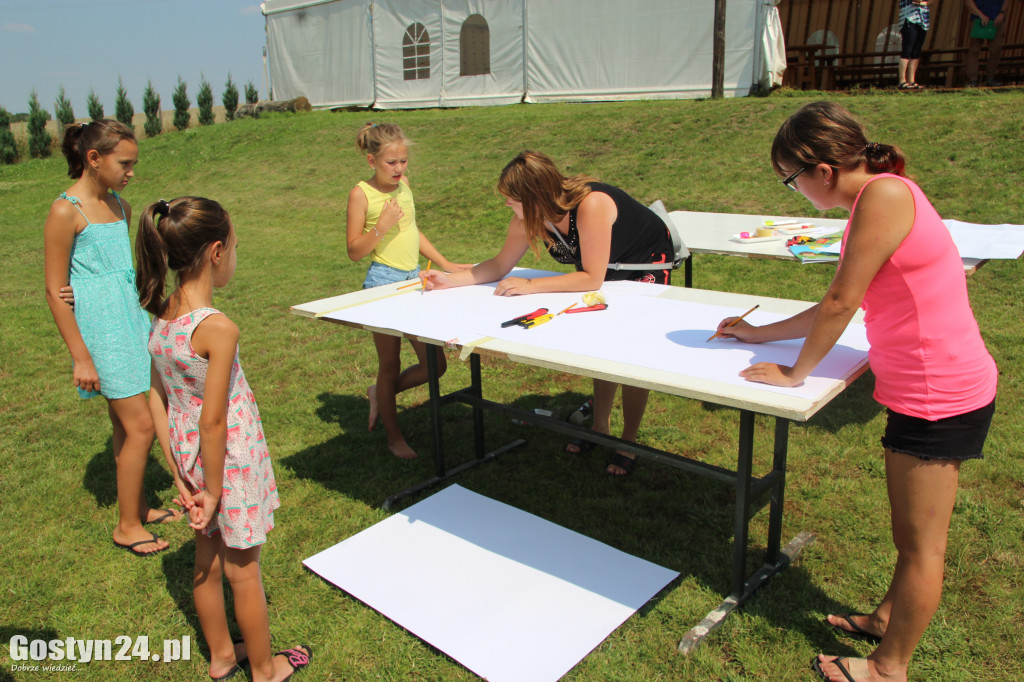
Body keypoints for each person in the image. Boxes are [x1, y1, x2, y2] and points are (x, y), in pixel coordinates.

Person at [713, 101, 996, 682]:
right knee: (908, 534)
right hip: (925, 385)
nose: (794, 191)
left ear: (821, 168)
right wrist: (757, 333)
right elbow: (843, 300)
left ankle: (888, 669)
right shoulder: (881, 197)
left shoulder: (884, 198)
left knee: (921, 545)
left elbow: (841, 304)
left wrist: (796, 374)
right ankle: (885, 617)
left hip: (937, 393)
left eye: (790, 180)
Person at [137, 197, 312, 682]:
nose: (235, 254)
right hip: (227, 462)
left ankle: (219, 657)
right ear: (216, 252)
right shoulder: (218, 328)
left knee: (206, 560)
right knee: (243, 571)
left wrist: (179, 472)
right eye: (234, 246)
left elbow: (157, 399)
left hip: (189, 459)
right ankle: (265, 668)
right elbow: (214, 422)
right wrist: (214, 490)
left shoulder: (163, 316)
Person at [422, 150, 674, 476]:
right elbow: (499, 265)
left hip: (643, 261)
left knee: (631, 349)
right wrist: (449, 280)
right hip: (606, 264)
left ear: (534, 197)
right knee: (603, 340)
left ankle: (630, 441)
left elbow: (591, 278)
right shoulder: (527, 217)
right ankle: (599, 427)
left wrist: (531, 285)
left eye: (512, 200)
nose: (507, 206)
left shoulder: (591, 206)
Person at [43, 119, 182, 558]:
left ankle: (137, 505)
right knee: (141, 426)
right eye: (124, 163)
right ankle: (126, 526)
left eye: (134, 164)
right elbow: (54, 288)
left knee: (128, 426)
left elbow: (123, 268)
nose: (131, 172)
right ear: (93, 158)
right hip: (100, 331)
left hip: (130, 320)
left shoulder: (119, 205)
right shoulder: (65, 211)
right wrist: (81, 357)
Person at [346, 122, 470, 459]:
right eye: (392, 163)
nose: (399, 168)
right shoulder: (362, 194)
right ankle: (393, 437)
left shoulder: (404, 187)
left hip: (413, 280)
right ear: (371, 161)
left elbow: (413, 231)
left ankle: (380, 395)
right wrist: (380, 227)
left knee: (436, 366)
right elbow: (355, 251)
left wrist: (446, 263)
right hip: (382, 285)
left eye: (403, 161)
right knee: (389, 364)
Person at [965, 0, 1008, 86]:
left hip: (997, 20)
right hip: (977, 19)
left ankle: (990, 77)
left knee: (996, 49)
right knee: (974, 50)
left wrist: (1001, 13)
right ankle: (973, 79)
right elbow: (968, 2)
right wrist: (980, 14)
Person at [897, 0, 931, 89]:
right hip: (909, 17)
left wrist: (927, 2)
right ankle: (902, 80)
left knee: (916, 51)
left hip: (923, 18)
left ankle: (912, 80)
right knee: (907, 49)